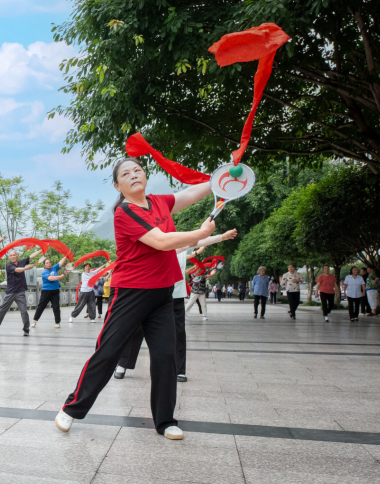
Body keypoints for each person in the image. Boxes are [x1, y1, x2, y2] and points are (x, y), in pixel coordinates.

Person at [55, 156, 217, 441]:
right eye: (126, 174)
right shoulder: (124, 212)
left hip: (163, 294)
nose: (134, 175)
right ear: (118, 185)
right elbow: (161, 241)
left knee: (166, 357)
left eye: (138, 170)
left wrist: (219, 179)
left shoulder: (159, 202)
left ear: (145, 176)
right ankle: (71, 409)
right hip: (130, 293)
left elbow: (190, 194)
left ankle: (166, 421)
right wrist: (200, 234)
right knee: (107, 353)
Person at [115, 232, 235, 382]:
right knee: (136, 329)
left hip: (175, 293)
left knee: (178, 331)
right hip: (149, 293)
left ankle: (179, 369)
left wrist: (221, 237)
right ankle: (123, 364)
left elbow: (197, 240)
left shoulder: (180, 246)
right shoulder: (155, 244)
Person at [0, 246, 42, 336]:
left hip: (20, 292)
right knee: (2, 310)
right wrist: (26, 268)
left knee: (24, 311)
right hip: (11, 292)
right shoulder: (8, 265)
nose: (12, 256)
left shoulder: (21, 262)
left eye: (14, 255)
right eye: (10, 255)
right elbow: (17, 270)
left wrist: (41, 250)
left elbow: (31, 256)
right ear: (9, 257)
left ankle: (26, 329)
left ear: (17, 256)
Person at [32, 255, 69, 328]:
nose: (48, 264)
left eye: (49, 262)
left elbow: (60, 263)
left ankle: (57, 322)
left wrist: (66, 255)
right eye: (47, 263)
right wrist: (60, 277)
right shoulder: (44, 272)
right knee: (41, 306)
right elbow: (50, 278)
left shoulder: (54, 268)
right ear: (44, 265)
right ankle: (35, 320)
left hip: (55, 291)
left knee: (56, 307)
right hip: (46, 291)